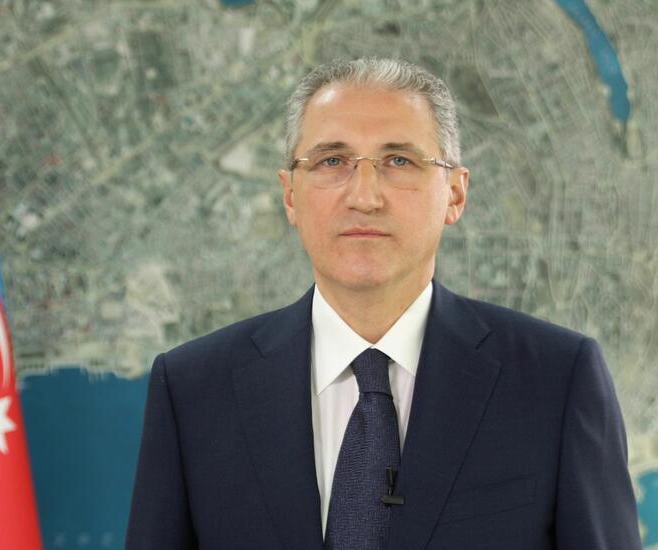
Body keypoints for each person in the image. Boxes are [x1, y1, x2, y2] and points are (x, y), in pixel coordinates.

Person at [125, 58, 641, 549]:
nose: (364, 196)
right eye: (332, 161)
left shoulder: (556, 381)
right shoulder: (193, 390)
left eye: (399, 161)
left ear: (455, 194)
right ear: (290, 195)